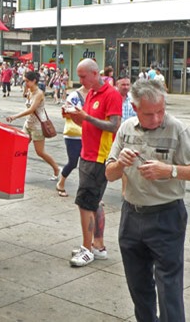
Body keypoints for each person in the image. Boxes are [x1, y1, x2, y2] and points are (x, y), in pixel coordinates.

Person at [105, 79, 190, 322]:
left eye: (161, 110)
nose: (157, 118)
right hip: (131, 216)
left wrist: (170, 170)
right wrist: (120, 162)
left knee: (169, 287)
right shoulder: (126, 128)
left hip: (166, 216)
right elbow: (109, 174)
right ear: (134, 107)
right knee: (138, 286)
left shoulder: (177, 129)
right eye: (149, 113)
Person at [65, 58, 122, 267]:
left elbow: (114, 125)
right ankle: (97, 245)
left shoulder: (111, 94)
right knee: (94, 202)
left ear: (95, 73)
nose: (80, 80)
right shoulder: (91, 93)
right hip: (88, 154)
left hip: (99, 157)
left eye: (83, 76)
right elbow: (90, 122)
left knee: (85, 204)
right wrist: (77, 118)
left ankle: (87, 249)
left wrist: (86, 117)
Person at [6, 71, 60, 180]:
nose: (25, 83)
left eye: (27, 81)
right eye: (24, 80)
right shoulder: (30, 90)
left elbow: (31, 109)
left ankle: (56, 169)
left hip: (38, 126)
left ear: (34, 81)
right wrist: (26, 90)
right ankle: (16, 171)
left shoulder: (39, 93)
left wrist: (15, 116)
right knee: (19, 148)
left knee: (40, 152)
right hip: (28, 124)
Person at [55, 85, 88, 197]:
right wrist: (80, 114)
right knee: (73, 162)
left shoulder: (96, 95)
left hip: (89, 134)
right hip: (74, 135)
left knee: (87, 164)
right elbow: (65, 113)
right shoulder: (75, 95)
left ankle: (87, 193)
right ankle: (61, 183)